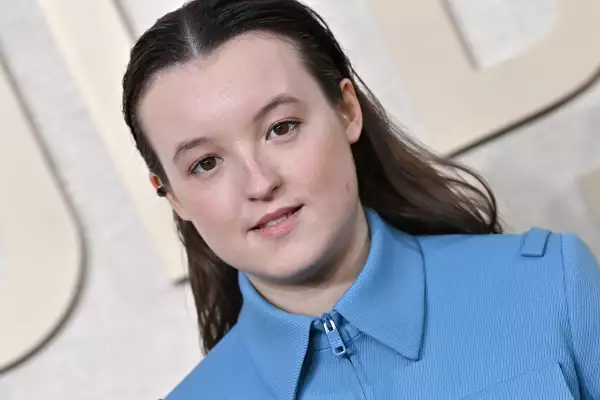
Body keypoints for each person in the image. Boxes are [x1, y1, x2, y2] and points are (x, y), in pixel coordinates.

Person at [121, 0, 600, 398]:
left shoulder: (547, 284)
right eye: (205, 163)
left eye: (281, 128)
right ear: (172, 196)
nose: (259, 182)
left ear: (347, 110)